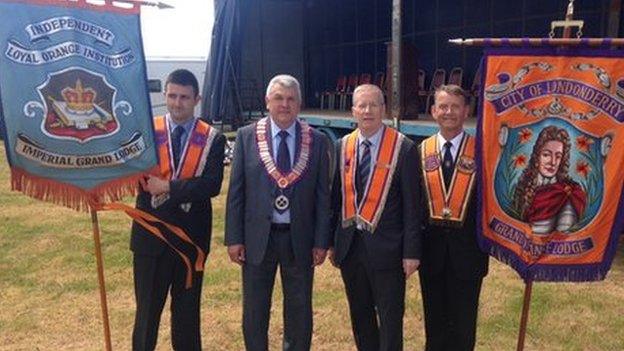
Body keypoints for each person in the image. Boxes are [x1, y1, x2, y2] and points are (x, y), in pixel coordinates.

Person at [224, 74, 331, 351]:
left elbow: (323, 197)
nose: (285, 104)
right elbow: (236, 192)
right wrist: (234, 238)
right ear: (267, 102)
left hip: (300, 239)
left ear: (299, 103)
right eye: (279, 98)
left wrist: (321, 241)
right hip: (258, 238)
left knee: (299, 309)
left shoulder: (316, 141)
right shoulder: (247, 137)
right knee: (255, 309)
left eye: (291, 99)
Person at [130, 69, 225, 350]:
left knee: (186, 318)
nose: (177, 102)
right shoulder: (147, 131)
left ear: (197, 99)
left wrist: (168, 187)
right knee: (146, 316)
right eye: (172, 95)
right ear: (165, 95)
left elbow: (211, 184)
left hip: (189, 240)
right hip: (150, 238)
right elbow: (132, 174)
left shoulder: (212, 139)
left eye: (184, 97)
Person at [329, 83, 422, 351]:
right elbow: (335, 200)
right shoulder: (341, 147)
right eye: (362, 105)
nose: (367, 110)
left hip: (389, 251)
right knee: (360, 317)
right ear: (353, 111)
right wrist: (332, 242)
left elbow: (412, 206)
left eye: (373, 105)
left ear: (384, 109)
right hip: (350, 248)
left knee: (391, 320)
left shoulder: (402, 148)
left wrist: (411, 252)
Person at [418, 84, 488, 351]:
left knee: (463, 328)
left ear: (466, 111)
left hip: (468, 255)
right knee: (434, 328)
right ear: (434, 111)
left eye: (455, 106)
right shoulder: (420, 151)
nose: (449, 112)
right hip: (431, 255)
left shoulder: (481, 152)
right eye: (443, 107)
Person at [512, 126, 586, 234]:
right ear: (537, 156)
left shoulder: (566, 193)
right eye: (546, 155)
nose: (553, 162)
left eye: (558, 156)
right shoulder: (523, 185)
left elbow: (563, 236)